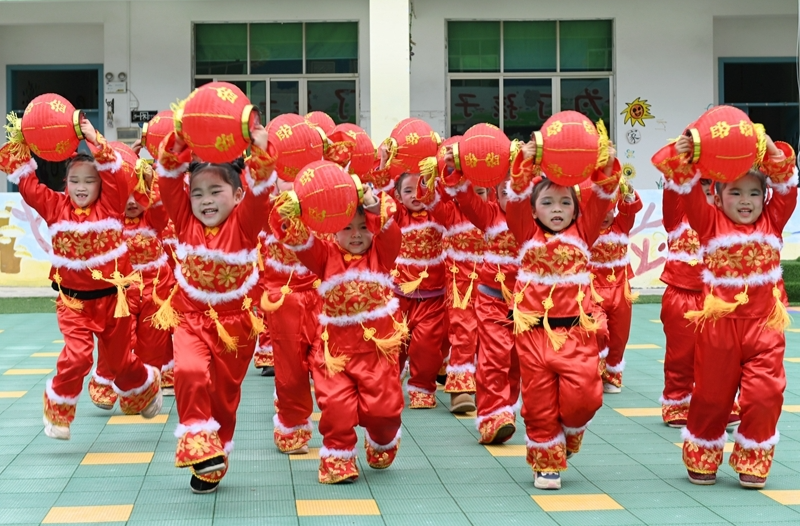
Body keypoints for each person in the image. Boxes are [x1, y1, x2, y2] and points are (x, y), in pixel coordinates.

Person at [0, 117, 162, 441]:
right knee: (77, 356)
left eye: (90, 181)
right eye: (75, 181)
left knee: (119, 364)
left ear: (102, 186)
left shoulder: (113, 205)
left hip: (113, 301)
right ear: (65, 183)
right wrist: (23, 140)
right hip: (73, 303)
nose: (82, 187)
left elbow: (116, 173)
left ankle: (145, 388)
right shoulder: (54, 206)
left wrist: (93, 138)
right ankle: (58, 411)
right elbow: (29, 184)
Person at [654, 133, 796, 489]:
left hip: (764, 327)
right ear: (716, 196)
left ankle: (753, 459)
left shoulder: (773, 221)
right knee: (713, 398)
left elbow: (786, 184)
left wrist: (769, 148)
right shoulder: (709, 223)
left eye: (753, 193)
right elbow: (684, 187)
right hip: (718, 328)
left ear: (764, 197)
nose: (745, 201)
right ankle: (703, 453)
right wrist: (686, 153)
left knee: (767, 394)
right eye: (734, 192)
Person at [155, 125, 275, 494]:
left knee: (224, 398)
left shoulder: (246, 222)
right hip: (190, 318)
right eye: (197, 193)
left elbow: (262, 189)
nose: (205, 200)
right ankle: (198, 446)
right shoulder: (184, 218)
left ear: (238, 194)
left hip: (237, 326)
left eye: (215, 191)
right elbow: (168, 180)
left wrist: (260, 151)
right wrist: (179, 140)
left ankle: (215, 453)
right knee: (190, 372)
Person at [271, 182, 405, 484]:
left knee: (384, 413)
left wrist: (370, 201)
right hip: (334, 355)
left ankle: (382, 439)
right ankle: (338, 459)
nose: (356, 234)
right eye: (346, 227)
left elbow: (389, 229)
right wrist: (291, 212)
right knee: (336, 409)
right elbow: (299, 240)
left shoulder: (382, 253)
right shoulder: (324, 255)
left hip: (377, 354)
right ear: (332, 231)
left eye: (362, 226)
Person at [507, 139, 621, 490]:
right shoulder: (525, 233)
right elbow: (513, 199)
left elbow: (603, 197)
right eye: (547, 202)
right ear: (534, 210)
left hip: (576, 335)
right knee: (539, 403)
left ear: (576, 210)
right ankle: (546, 463)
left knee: (585, 398)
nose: (557, 209)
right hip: (534, 335)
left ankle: (569, 433)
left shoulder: (584, 234)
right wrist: (524, 164)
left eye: (565, 202)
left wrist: (604, 165)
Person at [435, 165, 522, 444]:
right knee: (492, 355)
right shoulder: (489, 215)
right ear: (497, 194)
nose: (515, 197)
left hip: (529, 304)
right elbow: (466, 199)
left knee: (516, 362)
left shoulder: (542, 221)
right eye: (508, 191)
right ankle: (492, 415)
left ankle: (504, 410)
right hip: (490, 297)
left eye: (522, 192)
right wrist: (455, 168)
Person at [89, 148, 176, 408]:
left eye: (138, 194)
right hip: (120, 291)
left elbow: (161, 206)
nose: (131, 202)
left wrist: (152, 177)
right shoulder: (108, 220)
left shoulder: (153, 218)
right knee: (118, 344)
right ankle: (106, 381)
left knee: (153, 345)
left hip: (155, 288)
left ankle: (140, 394)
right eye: (125, 194)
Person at [258, 177, 320, 455]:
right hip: (284, 300)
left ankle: (340, 433)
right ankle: (292, 427)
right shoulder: (265, 210)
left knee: (330, 368)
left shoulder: (324, 205)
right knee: (292, 371)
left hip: (326, 294)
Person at [393, 171, 447, 409]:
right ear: (397, 196)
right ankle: (388, 383)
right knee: (393, 344)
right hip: (398, 296)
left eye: (420, 189)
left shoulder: (438, 214)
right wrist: (384, 165)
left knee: (426, 347)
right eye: (407, 191)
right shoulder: (397, 216)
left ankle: (422, 387)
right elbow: (382, 204)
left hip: (433, 296)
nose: (415, 195)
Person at [588, 183, 643, 393]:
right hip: (593, 290)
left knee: (620, 335)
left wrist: (628, 191)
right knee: (598, 330)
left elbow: (629, 208)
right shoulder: (587, 229)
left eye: (609, 210)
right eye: (599, 211)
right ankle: (595, 370)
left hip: (621, 290)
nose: (605, 215)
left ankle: (612, 375)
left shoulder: (621, 226)